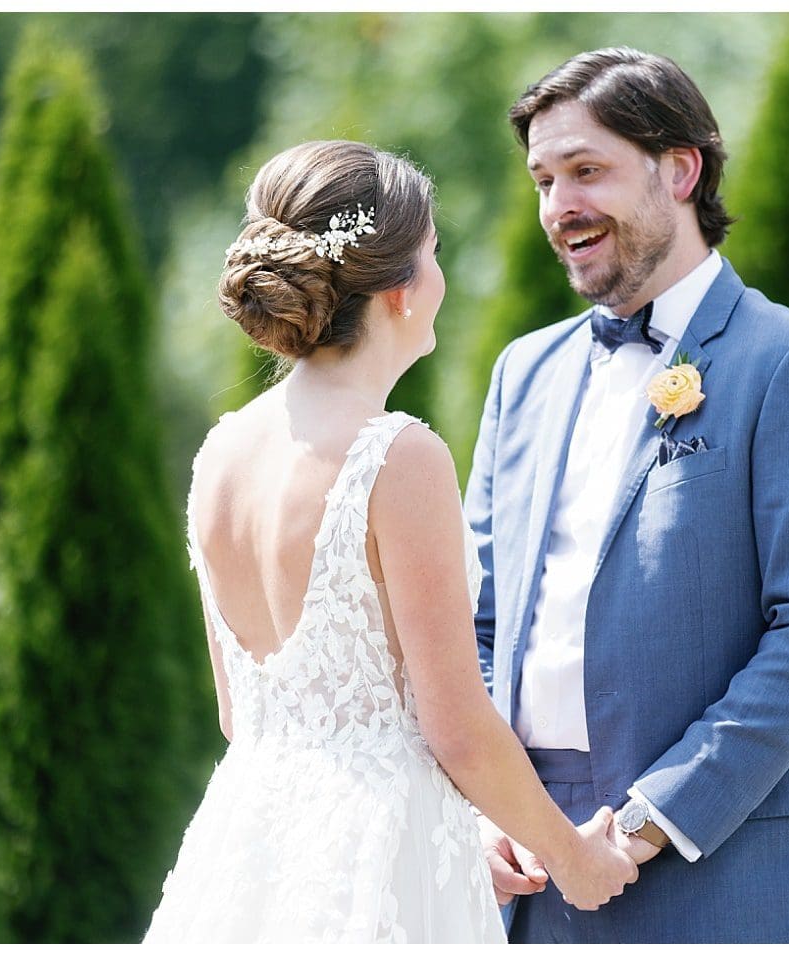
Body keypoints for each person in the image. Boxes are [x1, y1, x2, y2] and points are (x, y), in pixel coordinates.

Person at [143, 139, 638, 944]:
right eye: (435, 254)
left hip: (248, 844)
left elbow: (240, 714)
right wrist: (573, 859)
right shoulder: (398, 456)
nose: (441, 278)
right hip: (377, 856)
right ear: (401, 290)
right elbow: (458, 727)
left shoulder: (220, 454)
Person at [468, 48, 789, 943]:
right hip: (526, 873)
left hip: (724, 864)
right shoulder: (523, 373)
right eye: (544, 179)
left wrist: (647, 821)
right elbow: (482, 623)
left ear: (681, 169)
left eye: (587, 171)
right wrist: (483, 808)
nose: (559, 207)